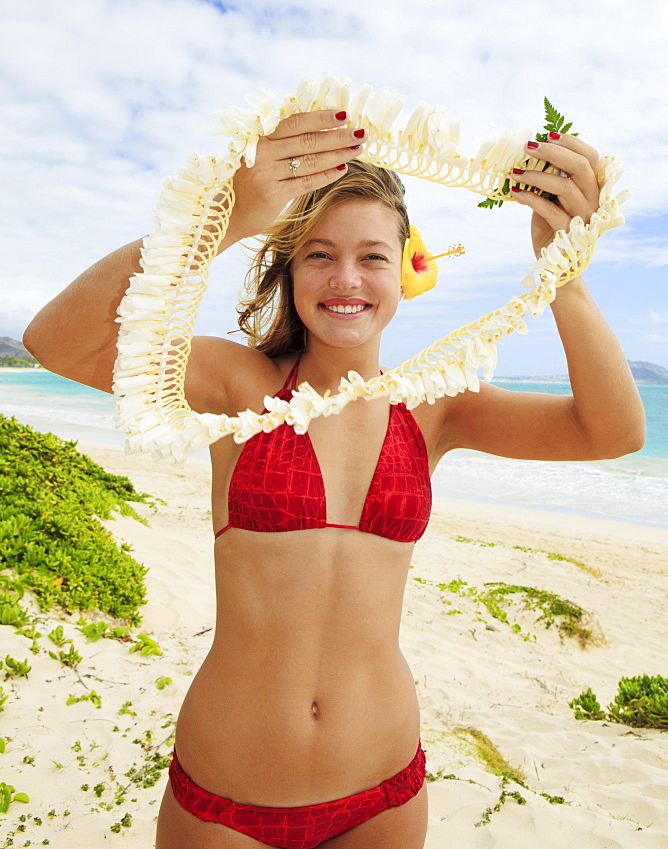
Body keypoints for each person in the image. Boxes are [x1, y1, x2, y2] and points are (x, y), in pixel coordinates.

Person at [23, 108, 645, 849]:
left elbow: (611, 431)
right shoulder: (238, 384)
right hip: (228, 798)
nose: (345, 278)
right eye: (319, 254)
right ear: (288, 268)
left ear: (408, 269)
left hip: (382, 792)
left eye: (373, 257)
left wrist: (563, 277)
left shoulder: (434, 407)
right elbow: (55, 342)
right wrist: (229, 217)